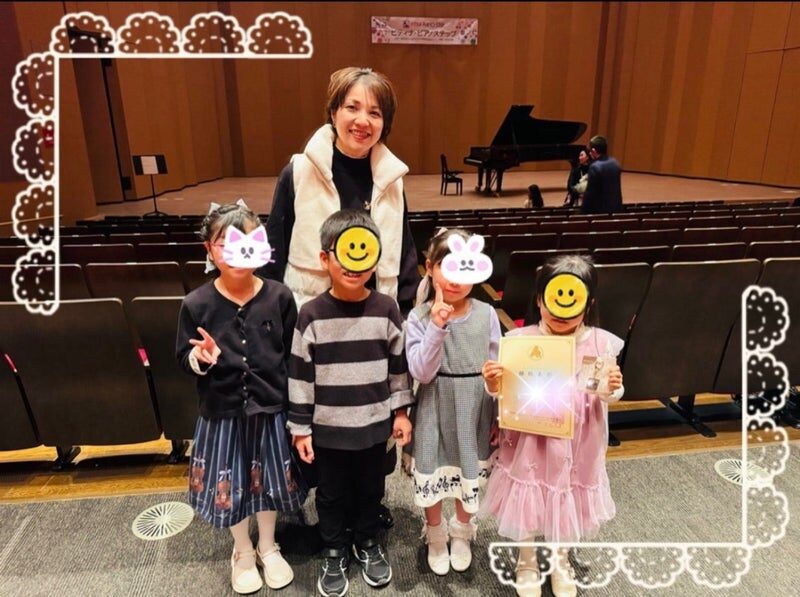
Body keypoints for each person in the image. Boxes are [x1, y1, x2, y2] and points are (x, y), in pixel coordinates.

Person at [176, 203, 307, 595]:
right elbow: (183, 358)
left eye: (248, 241)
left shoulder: (280, 296)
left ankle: (267, 545)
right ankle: (243, 550)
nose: (238, 252)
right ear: (209, 250)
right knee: (230, 485)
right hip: (222, 414)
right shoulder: (195, 304)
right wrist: (200, 359)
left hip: (270, 411)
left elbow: (293, 355)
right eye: (226, 243)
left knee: (267, 483)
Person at [480, 254, 624, 597]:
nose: (560, 312)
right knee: (529, 496)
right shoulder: (520, 340)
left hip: (578, 442)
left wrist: (612, 388)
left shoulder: (600, 343)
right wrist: (493, 382)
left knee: (567, 497)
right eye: (551, 301)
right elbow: (503, 393)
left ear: (588, 304)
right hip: (531, 439)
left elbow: (607, 393)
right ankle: (526, 561)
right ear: (539, 301)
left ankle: (560, 561)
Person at [287, 209, 414, 597]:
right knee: (330, 493)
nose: (354, 264)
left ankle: (368, 541)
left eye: (364, 253)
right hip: (328, 431)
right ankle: (334, 548)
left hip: (374, 427)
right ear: (324, 258)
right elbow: (300, 377)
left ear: (375, 257)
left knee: (372, 489)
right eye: (344, 253)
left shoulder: (386, 308)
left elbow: (398, 367)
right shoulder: (310, 314)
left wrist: (401, 412)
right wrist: (300, 429)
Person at [260, 66, 421, 315]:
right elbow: (274, 248)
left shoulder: (392, 179)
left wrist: (406, 315)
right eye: (352, 108)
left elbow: (405, 254)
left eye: (375, 113)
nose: (363, 121)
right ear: (334, 113)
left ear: (384, 124)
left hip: (376, 319)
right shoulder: (299, 172)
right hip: (310, 317)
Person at [405, 228, 501, 576]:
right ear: (430, 268)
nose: (457, 279)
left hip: (475, 408)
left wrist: (499, 415)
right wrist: (436, 326)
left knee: (467, 473)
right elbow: (421, 371)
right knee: (432, 472)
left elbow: (498, 370)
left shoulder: (487, 314)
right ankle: (435, 532)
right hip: (434, 405)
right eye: (448, 267)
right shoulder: (418, 318)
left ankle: (462, 530)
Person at [581, 135, 623, 215]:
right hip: (616, 209)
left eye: (590, 151)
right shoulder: (615, 163)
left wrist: (583, 212)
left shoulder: (595, 167)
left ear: (594, 151)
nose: (589, 153)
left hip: (600, 211)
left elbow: (590, 194)